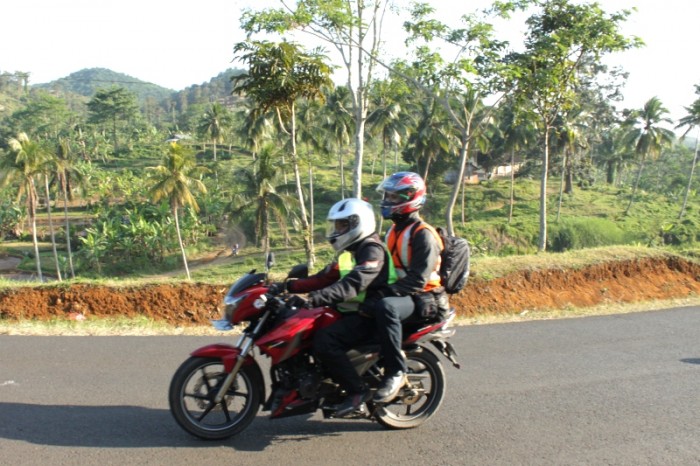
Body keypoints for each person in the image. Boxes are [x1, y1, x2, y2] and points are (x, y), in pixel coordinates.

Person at [283, 198, 395, 417]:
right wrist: (287, 286)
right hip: (351, 311)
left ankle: (357, 392)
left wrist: (313, 299)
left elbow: (353, 284)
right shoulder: (350, 252)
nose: (337, 230)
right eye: (336, 225)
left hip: (370, 313)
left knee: (325, 341)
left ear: (358, 224)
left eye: (342, 225)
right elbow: (324, 278)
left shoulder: (372, 251)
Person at [372, 171, 445, 403]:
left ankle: (396, 371)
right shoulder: (393, 231)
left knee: (386, 308)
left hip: (424, 299)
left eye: (394, 197)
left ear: (410, 199)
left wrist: (386, 292)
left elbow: (418, 280)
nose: (388, 201)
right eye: (387, 196)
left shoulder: (424, 235)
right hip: (404, 294)